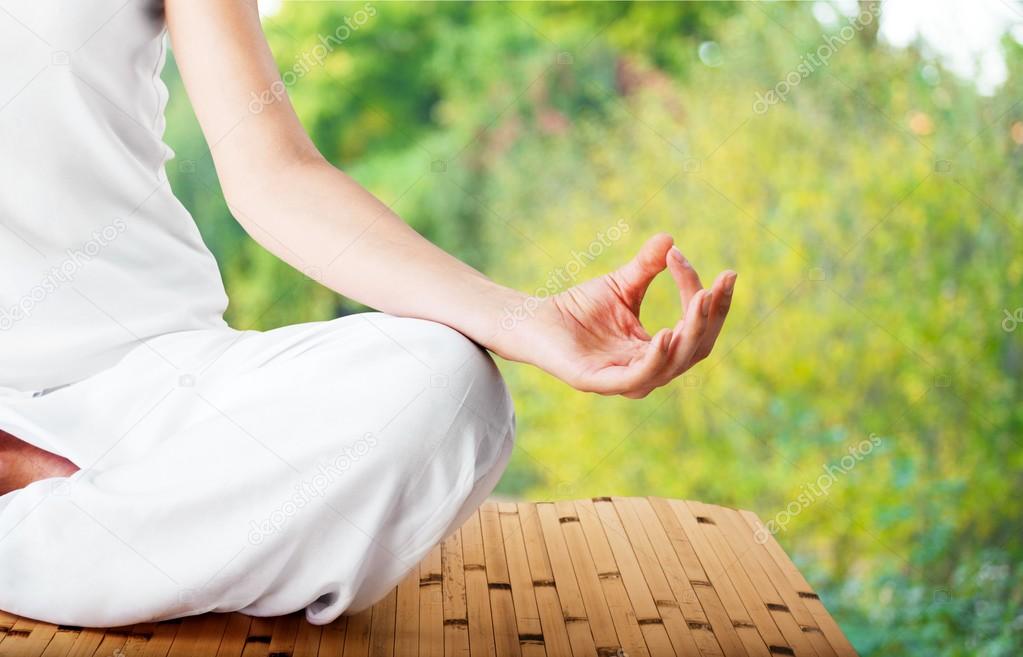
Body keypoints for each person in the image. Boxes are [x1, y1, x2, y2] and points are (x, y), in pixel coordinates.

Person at [0, 0, 735, 627]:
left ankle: (72, 537)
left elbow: (273, 176)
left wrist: (524, 319)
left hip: (161, 380)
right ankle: (133, 542)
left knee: (443, 388)